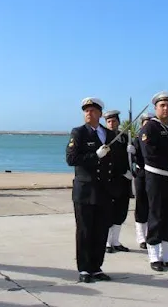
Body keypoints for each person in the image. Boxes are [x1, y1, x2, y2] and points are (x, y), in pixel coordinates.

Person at [66, 97, 116, 283]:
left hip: (104, 190)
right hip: (85, 190)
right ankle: (84, 268)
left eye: (93, 110)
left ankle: (96, 267)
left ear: (100, 114)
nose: (89, 113)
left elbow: (115, 163)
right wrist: (95, 155)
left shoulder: (109, 134)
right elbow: (71, 159)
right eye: (86, 110)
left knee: (101, 230)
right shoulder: (78, 133)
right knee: (85, 231)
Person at [140, 91, 168, 271]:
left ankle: (167, 255)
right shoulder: (150, 127)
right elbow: (149, 154)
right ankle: (154, 256)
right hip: (157, 177)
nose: (166, 108)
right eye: (162, 106)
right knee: (157, 215)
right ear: (156, 108)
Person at [102, 110, 134, 253]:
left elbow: (131, 159)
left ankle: (115, 241)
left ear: (118, 122)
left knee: (121, 212)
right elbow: (108, 160)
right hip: (111, 180)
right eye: (109, 121)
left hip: (125, 181)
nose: (111, 123)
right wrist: (121, 171)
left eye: (114, 121)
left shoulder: (125, 137)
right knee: (109, 212)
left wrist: (133, 152)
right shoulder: (104, 138)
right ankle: (107, 242)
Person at [133, 113, 153, 249]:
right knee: (141, 204)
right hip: (141, 173)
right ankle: (141, 236)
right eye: (145, 123)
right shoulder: (136, 139)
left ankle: (150, 233)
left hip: (154, 174)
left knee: (153, 205)